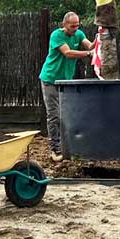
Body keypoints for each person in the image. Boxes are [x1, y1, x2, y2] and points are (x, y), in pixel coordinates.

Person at [39, 11, 94, 162]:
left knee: (67, 114)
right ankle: (55, 148)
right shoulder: (57, 36)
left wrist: (98, 39)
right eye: (72, 26)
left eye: (77, 25)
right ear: (64, 25)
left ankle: (68, 145)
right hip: (50, 79)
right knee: (54, 115)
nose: (76, 28)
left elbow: (89, 45)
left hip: (65, 81)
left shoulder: (79, 34)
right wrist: (88, 54)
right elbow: (68, 53)